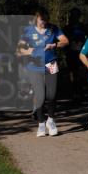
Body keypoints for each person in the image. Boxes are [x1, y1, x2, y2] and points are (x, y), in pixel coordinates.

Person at [16, 7, 68, 137]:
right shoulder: (28, 31)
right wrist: (30, 51)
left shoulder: (53, 29)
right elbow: (19, 50)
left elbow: (65, 41)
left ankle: (51, 120)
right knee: (40, 96)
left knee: (52, 94)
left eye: (45, 18)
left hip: (51, 64)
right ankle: (41, 123)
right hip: (34, 66)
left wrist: (54, 45)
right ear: (36, 18)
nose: (43, 21)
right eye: (41, 19)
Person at [65, 8, 88, 102]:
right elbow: (63, 40)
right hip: (71, 53)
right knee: (73, 73)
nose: (75, 16)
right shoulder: (67, 28)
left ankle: (81, 92)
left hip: (82, 52)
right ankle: (74, 93)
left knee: (82, 73)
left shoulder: (83, 27)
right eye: (74, 14)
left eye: (77, 14)